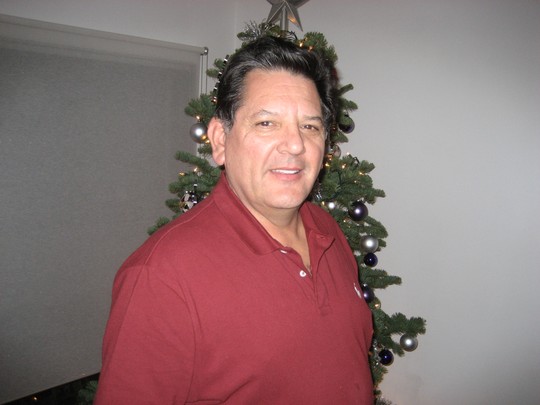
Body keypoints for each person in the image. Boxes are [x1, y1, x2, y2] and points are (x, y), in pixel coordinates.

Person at [94, 35, 374, 404]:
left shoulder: (327, 228)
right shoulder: (160, 277)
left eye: (310, 126)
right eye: (266, 123)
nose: (295, 145)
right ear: (220, 140)